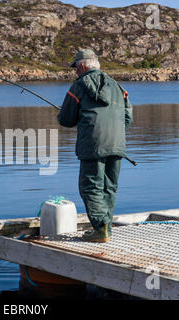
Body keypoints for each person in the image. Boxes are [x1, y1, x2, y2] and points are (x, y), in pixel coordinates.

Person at [57, 49, 133, 243]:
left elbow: (66, 119)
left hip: (92, 145)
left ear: (82, 66)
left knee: (90, 187)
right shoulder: (117, 86)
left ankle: (101, 228)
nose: (75, 71)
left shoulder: (79, 86)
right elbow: (128, 117)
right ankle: (105, 227)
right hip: (117, 144)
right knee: (109, 186)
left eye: (75, 67)